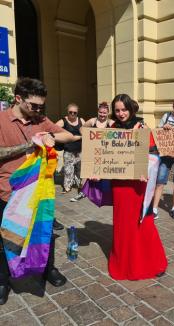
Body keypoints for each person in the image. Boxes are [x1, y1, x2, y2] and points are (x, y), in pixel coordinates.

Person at [0, 77, 78, 305]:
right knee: (6, 237)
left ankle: (47, 269)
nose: (38, 110)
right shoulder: (2, 120)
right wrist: (30, 145)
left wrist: (50, 136)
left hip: (39, 193)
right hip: (8, 191)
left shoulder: (41, 119)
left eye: (41, 106)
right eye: (33, 106)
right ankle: (3, 281)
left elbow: (68, 135)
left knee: (45, 234)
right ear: (18, 99)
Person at [108, 94, 167, 280]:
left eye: (124, 109)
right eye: (117, 110)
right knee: (123, 223)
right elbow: (103, 154)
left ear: (131, 109)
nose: (120, 113)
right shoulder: (111, 127)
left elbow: (153, 153)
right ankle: (125, 264)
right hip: (120, 183)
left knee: (144, 221)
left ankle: (154, 262)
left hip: (139, 183)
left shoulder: (142, 126)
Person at [70, 102, 114, 203]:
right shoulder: (92, 121)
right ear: (98, 112)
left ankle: (104, 193)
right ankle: (82, 192)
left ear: (108, 113)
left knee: (104, 170)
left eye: (104, 113)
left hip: (106, 151)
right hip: (92, 150)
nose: (102, 115)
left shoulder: (110, 123)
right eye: (100, 112)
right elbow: (82, 129)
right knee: (89, 169)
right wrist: (87, 137)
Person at [55, 104, 85, 198]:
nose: (72, 114)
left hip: (80, 150)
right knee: (68, 170)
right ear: (67, 112)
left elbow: (86, 131)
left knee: (79, 170)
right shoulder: (63, 121)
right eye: (70, 112)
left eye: (74, 112)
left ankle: (79, 185)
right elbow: (53, 129)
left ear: (77, 112)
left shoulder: (81, 120)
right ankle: (67, 187)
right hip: (68, 150)